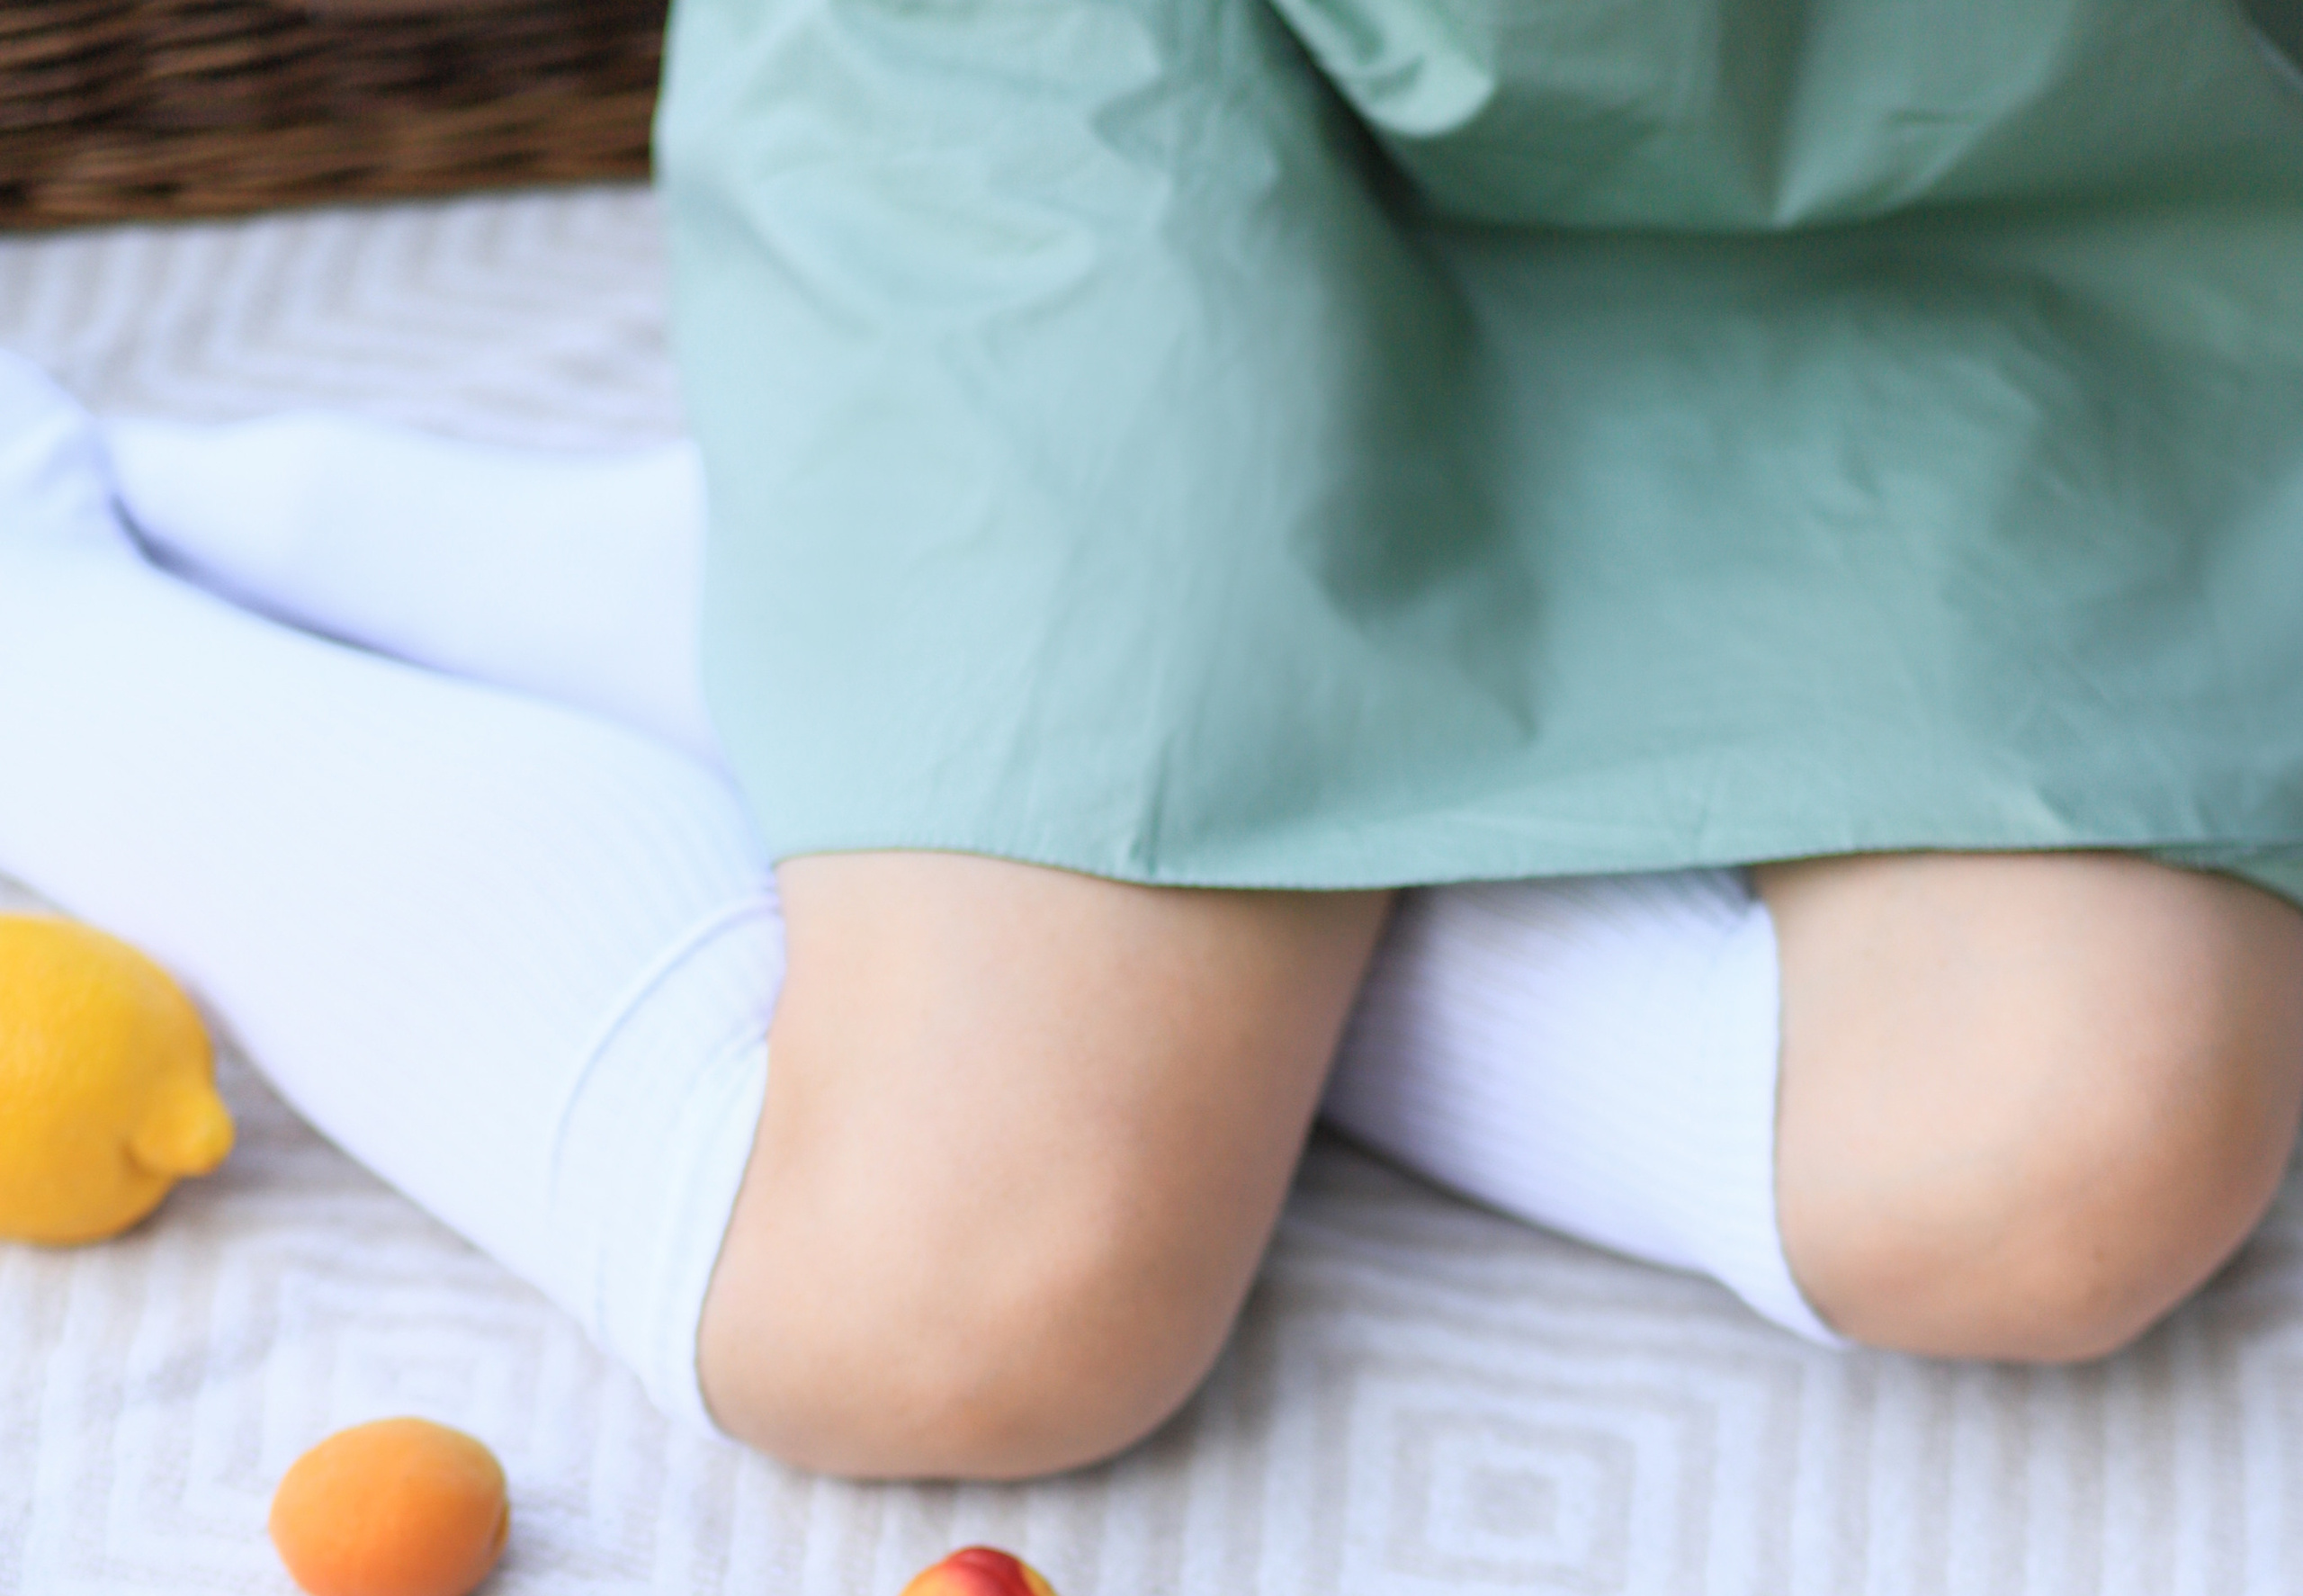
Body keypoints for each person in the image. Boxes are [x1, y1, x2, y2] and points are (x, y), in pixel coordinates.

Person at [4, 0, 2302, 1478]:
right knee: (941, 1321)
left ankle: (769, 630)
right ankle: (49, 594)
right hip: (1135, 65)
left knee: (2044, 1181)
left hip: (1967, 134)